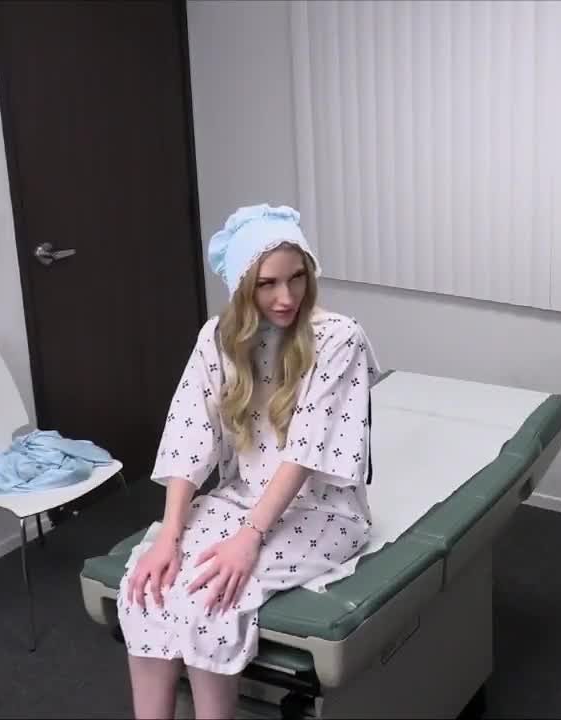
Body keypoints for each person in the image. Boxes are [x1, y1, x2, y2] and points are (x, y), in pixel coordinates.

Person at [116, 203, 380, 719]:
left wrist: (248, 539)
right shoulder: (217, 338)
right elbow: (189, 435)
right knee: (146, 589)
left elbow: (305, 450)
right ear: (241, 287)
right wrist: (168, 536)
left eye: (297, 278)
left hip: (323, 510)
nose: (287, 297)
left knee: (211, 599)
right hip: (240, 497)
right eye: (267, 284)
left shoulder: (338, 338)